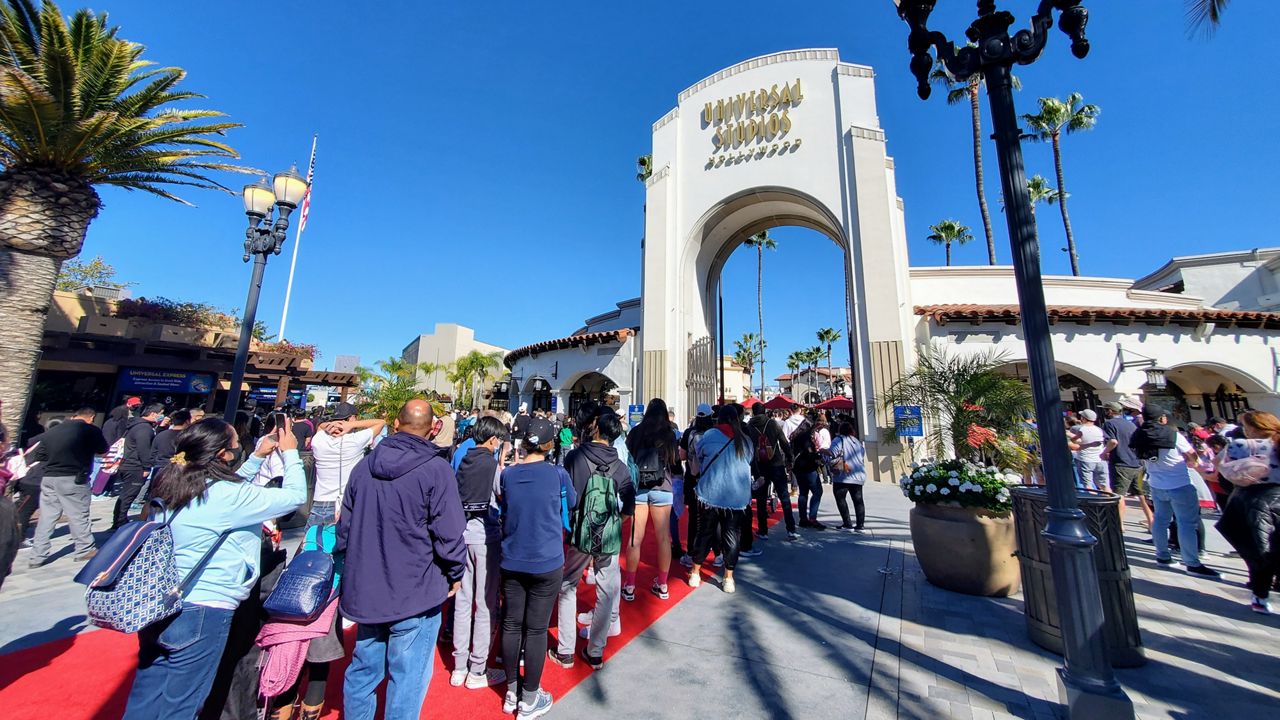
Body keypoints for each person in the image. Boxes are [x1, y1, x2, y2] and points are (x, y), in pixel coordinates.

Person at [120, 417, 306, 720]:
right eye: (235, 445)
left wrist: (257, 457)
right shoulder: (226, 497)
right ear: (223, 454)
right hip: (205, 607)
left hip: (161, 600)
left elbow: (228, 487)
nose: (238, 448)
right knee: (182, 702)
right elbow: (294, 497)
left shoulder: (172, 483)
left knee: (147, 693)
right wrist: (290, 454)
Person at [338, 400, 466, 720]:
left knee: (363, 669)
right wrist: (455, 570)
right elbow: (449, 531)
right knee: (407, 676)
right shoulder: (436, 469)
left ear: (396, 422)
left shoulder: (364, 466)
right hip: (416, 588)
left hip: (367, 585)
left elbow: (345, 528)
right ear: (433, 429)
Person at [495, 416, 573, 719]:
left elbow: (505, 504)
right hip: (546, 558)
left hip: (512, 557)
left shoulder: (509, 475)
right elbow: (572, 503)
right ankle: (529, 698)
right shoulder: (557, 474)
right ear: (550, 444)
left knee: (512, 623)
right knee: (537, 628)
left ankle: (513, 690)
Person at [551, 409, 634, 669]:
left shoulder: (576, 457)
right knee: (607, 589)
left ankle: (565, 650)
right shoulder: (620, 466)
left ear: (596, 429)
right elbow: (629, 504)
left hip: (579, 532)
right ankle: (595, 650)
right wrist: (614, 522)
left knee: (568, 585)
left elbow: (566, 492)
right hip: (607, 535)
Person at [449, 415, 508, 689]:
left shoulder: (464, 458)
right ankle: (478, 668)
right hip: (486, 535)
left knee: (463, 599)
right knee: (484, 603)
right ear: (494, 439)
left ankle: (458, 665)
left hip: (461, 533)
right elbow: (501, 493)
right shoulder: (491, 464)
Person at [1129, 404, 1220, 578]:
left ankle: (1162, 555)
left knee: (1161, 520)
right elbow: (1192, 456)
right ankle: (1192, 562)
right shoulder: (1173, 435)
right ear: (1162, 418)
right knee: (1187, 523)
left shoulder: (1138, 434)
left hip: (1156, 483)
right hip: (1179, 483)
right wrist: (1196, 464)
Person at [1214, 410, 1280, 613]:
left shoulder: (1240, 445)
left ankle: (1260, 596)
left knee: (1258, 552)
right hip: (1277, 497)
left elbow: (1222, 473)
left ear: (1251, 428)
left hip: (1250, 500)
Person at [26, 409, 106, 566]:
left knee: (47, 517)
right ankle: (84, 549)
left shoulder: (53, 430)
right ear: (91, 418)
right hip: (74, 478)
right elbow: (103, 449)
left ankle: (37, 555)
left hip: (49, 477)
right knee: (78, 515)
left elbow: (40, 454)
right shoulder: (90, 430)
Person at [687, 404, 753, 593]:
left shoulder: (709, 436)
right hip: (736, 496)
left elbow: (699, 457)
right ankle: (728, 577)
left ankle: (695, 572)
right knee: (731, 536)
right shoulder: (745, 440)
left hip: (711, 492)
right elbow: (749, 461)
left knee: (705, 533)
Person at [623, 399, 681, 602]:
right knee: (663, 538)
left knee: (634, 538)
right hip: (662, 488)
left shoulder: (636, 432)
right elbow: (675, 463)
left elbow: (628, 460)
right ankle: (663, 584)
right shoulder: (669, 433)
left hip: (639, 488)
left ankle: (630, 585)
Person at [309, 403, 385, 526]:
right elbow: (381, 422)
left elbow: (320, 426)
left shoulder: (318, 439)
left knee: (314, 541)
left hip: (319, 502)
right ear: (351, 418)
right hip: (345, 502)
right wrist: (351, 425)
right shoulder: (355, 440)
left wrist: (332, 425)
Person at [749, 403, 798, 541]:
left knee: (761, 499)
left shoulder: (749, 426)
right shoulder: (772, 424)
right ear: (765, 412)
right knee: (784, 496)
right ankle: (791, 529)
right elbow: (783, 441)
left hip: (759, 465)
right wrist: (789, 457)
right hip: (776, 463)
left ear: (753, 412)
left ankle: (763, 530)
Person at [112, 403, 163, 530]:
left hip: (129, 464)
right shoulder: (144, 429)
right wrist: (146, 467)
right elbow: (143, 449)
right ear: (153, 414)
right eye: (161, 413)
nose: (162, 416)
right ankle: (120, 521)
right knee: (128, 495)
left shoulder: (136, 425)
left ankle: (119, 519)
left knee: (125, 494)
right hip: (135, 466)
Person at [1102, 402, 1152, 527]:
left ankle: (1119, 525)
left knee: (1119, 495)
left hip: (1121, 463)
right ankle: (1151, 521)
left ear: (1110, 411)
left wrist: (1104, 452)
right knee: (1141, 494)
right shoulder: (1130, 424)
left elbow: (1113, 441)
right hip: (1137, 463)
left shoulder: (1109, 424)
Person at [829, 422, 868, 532]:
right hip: (858, 474)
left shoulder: (838, 440)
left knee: (840, 498)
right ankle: (860, 525)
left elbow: (832, 453)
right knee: (858, 500)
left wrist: (824, 452)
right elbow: (862, 454)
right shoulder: (857, 442)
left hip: (843, 474)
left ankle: (847, 523)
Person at [791, 411, 827, 529]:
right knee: (817, 491)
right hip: (807, 467)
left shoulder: (796, 436)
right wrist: (818, 457)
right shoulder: (806, 437)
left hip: (798, 468)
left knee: (803, 493)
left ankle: (803, 518)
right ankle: (812, 518)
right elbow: (809, 452)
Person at [1075, 409, 1109, 492]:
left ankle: (1092, 504)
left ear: (1083, 418)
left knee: (1088, 486)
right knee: (1104, 486)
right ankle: (1111, 503)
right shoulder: (1099, 429)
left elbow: (1074, 441)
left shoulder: (1081, 429)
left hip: (1085, 460)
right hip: (1100, 460)